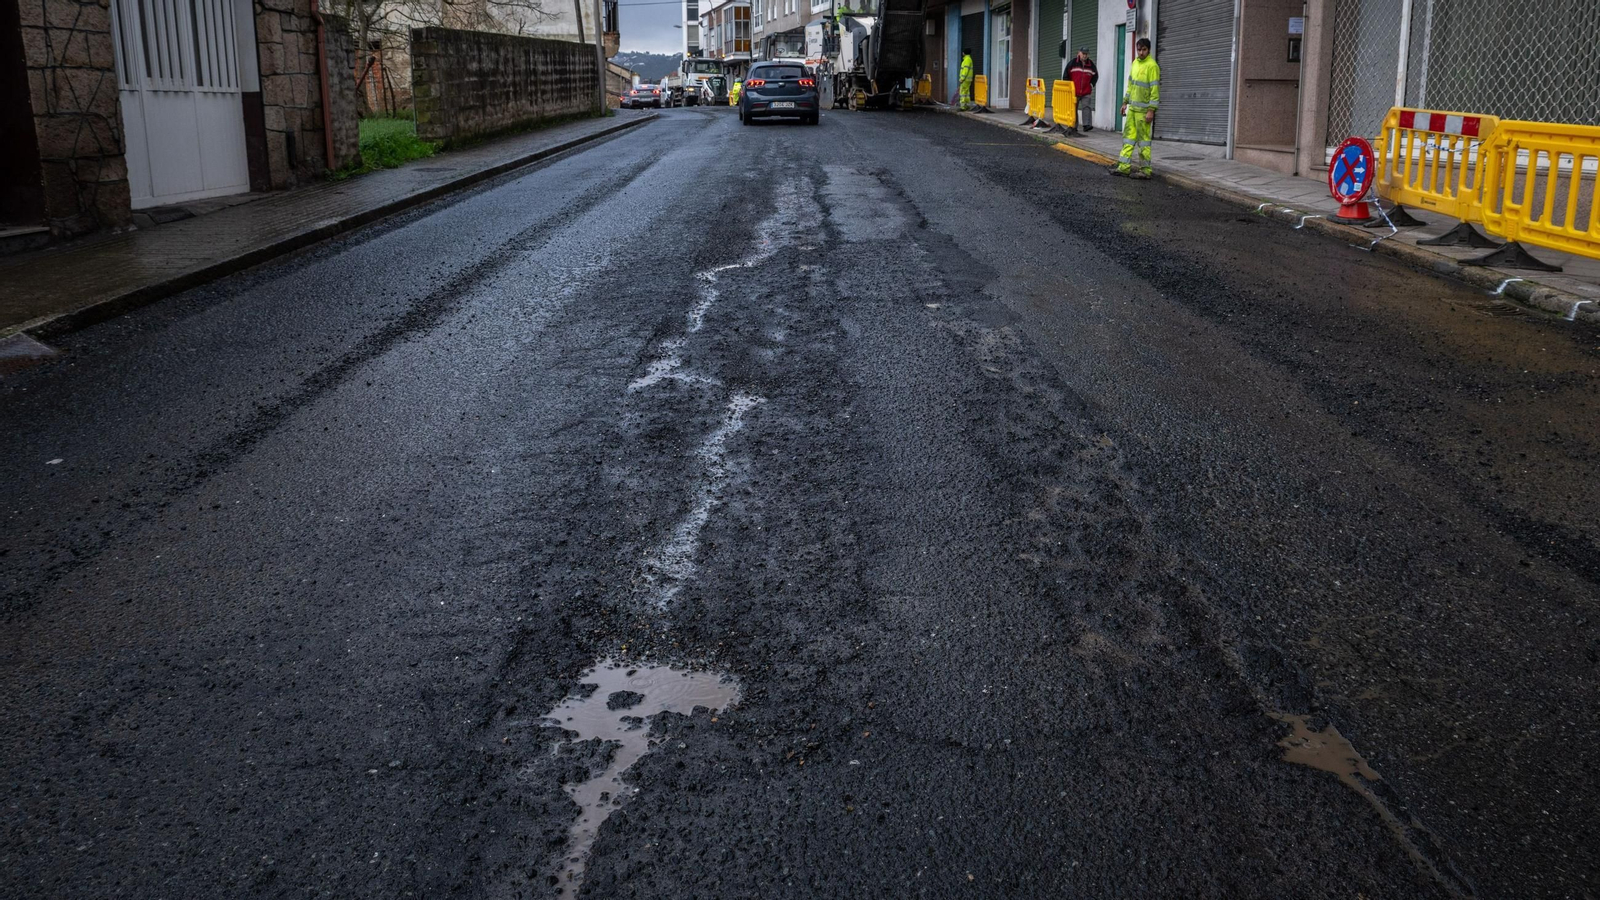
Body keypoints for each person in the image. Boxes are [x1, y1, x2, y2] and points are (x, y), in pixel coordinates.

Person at [1114, 37, 1159, 179]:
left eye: (1144, 50)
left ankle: (1145, 171)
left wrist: (1151, 110)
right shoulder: (1135, 63)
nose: (1141, 52)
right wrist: (1125, 102)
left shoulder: (1152, 66)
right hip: (1133, 110)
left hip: (1144, 112)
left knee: (1143, 142)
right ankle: (1123, 167)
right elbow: (1130, 85)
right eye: (1139, 50)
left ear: (1148, 50)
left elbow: (1154, 91)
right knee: (1128, 138)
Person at [1065, 48, 1098, 133]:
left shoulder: (1091, 65)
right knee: (1073, 109)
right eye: (1083, 53)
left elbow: (1095, 76)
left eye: (1086, 54)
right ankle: (1073, 126)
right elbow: (1065, 75)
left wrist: (1091, 85)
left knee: (1086, 107)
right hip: (1074, 91)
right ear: (1079, 53)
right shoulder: (1072, 63)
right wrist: (1068, 87)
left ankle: (1087, 125)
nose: (1085, 55)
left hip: (1086, 91)